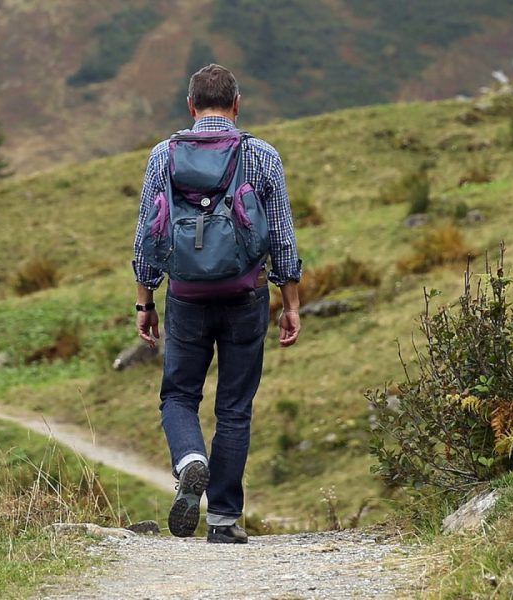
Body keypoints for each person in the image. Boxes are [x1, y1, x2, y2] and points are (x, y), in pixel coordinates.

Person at [132, 64, 302, 544]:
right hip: (246, 295)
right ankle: (224, 520)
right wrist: (290, 302)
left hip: (185, 296)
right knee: (234, 407)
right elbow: (283, 237)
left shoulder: (163, 155)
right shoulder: (261, 155)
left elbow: (148, 234)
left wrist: (145, 301)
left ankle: (190, 460)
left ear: (190, 106)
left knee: (179, 395)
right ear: (237, 104)